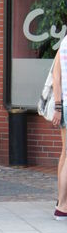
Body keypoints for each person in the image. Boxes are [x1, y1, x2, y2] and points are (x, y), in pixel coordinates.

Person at [51, 43, 67, 219]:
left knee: (65, 153)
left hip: (65, 105)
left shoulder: (64, 42)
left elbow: (56, 75)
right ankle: (63, 206)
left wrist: (58, 106)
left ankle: (61, 201)